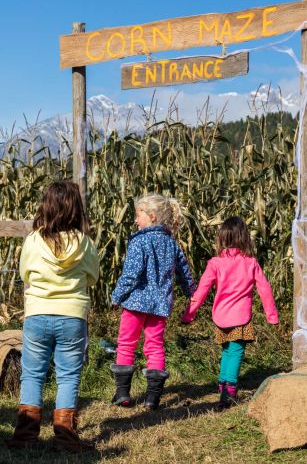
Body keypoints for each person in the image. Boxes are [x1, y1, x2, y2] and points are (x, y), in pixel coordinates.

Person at [7, 181, 99, 453]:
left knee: (33, 375)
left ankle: (25, 437)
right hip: (73, 316)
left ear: (46, 206)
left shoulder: (33, 240)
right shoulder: (85, 243)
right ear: (75, 209)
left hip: (37, 314)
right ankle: (66, 438)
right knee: (68, 376)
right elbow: (92, 277)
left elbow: (25, 273)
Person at [182, 216, 278, 409]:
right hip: (240, 317)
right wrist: (272, 316)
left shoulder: (215, 263)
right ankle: (229, 391)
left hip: (221, 316)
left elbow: (201, 291)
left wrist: (189, 314)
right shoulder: (250, 263)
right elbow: (265, 289)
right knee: (235, 351)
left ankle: (222, 384)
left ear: (222, 238)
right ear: (244, 238)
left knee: (227, 350)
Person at [111, 193, 194, 410]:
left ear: (153, 216)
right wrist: (190, 293)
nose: (136, 221)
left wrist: (116, 296)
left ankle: (122, 394)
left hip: (136, 304)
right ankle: (152, 398)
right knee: (155, 346)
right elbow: (184, 271)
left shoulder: (139, 242)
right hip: (159, 306)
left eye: (139, 215)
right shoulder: (171, 243)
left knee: (126, 343)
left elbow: (130, 275)